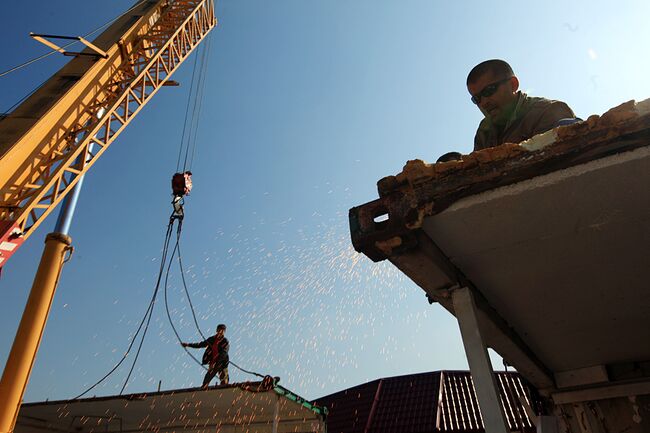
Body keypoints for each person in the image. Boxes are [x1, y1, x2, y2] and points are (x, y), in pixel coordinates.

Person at [467, 59, 576, 151]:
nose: (483, 102)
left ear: (513, 84)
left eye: (489, 91)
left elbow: (552, 163)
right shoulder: (484, 130)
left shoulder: (549, 111)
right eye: (476, 99)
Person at [182, 324, 230, 388]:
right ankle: (204, 388)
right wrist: (188, 345)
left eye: (222, 330)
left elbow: (223, 354)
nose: (221, 331)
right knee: (206, 381)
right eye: (219, 329)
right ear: (217, 330)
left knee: (224, 381)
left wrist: (215, 363)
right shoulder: (212, 339)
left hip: (222, 363)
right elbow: (201, 344)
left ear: (224, 331)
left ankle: (224, 390)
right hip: (213, 363)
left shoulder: (225, 341)